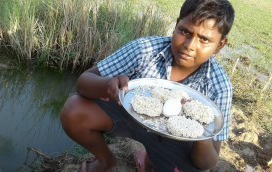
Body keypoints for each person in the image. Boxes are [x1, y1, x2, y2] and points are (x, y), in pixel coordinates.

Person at [60, 0, 235, 171]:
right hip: (131, 117)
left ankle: (151, 160)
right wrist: (108, 85)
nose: (189, 46)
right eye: (185, 31)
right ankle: (106, 161)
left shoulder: (219, 86)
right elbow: (83, 83)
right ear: (176, 25)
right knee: (74, 110)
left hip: (177, 138)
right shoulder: (145, 49)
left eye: (204, 39)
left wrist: (203, 133)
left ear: (220, 45)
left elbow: (208, 163)